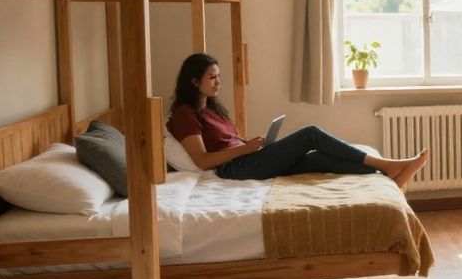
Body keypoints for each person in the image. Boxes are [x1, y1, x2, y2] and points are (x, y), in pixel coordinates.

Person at [167, 53, 428, 186]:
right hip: (235, 170)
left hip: (246, 159)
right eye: (212, 77)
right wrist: (245, 149)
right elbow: (203, 160)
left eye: (219, 76)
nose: (218, 82)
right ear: (194, 81)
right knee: (310, 134)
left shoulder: (211, 108)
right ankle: (387, 164)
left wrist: (249, 145)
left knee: (317, 158)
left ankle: (385, 175)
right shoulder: (184, 115)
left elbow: (226, 142)